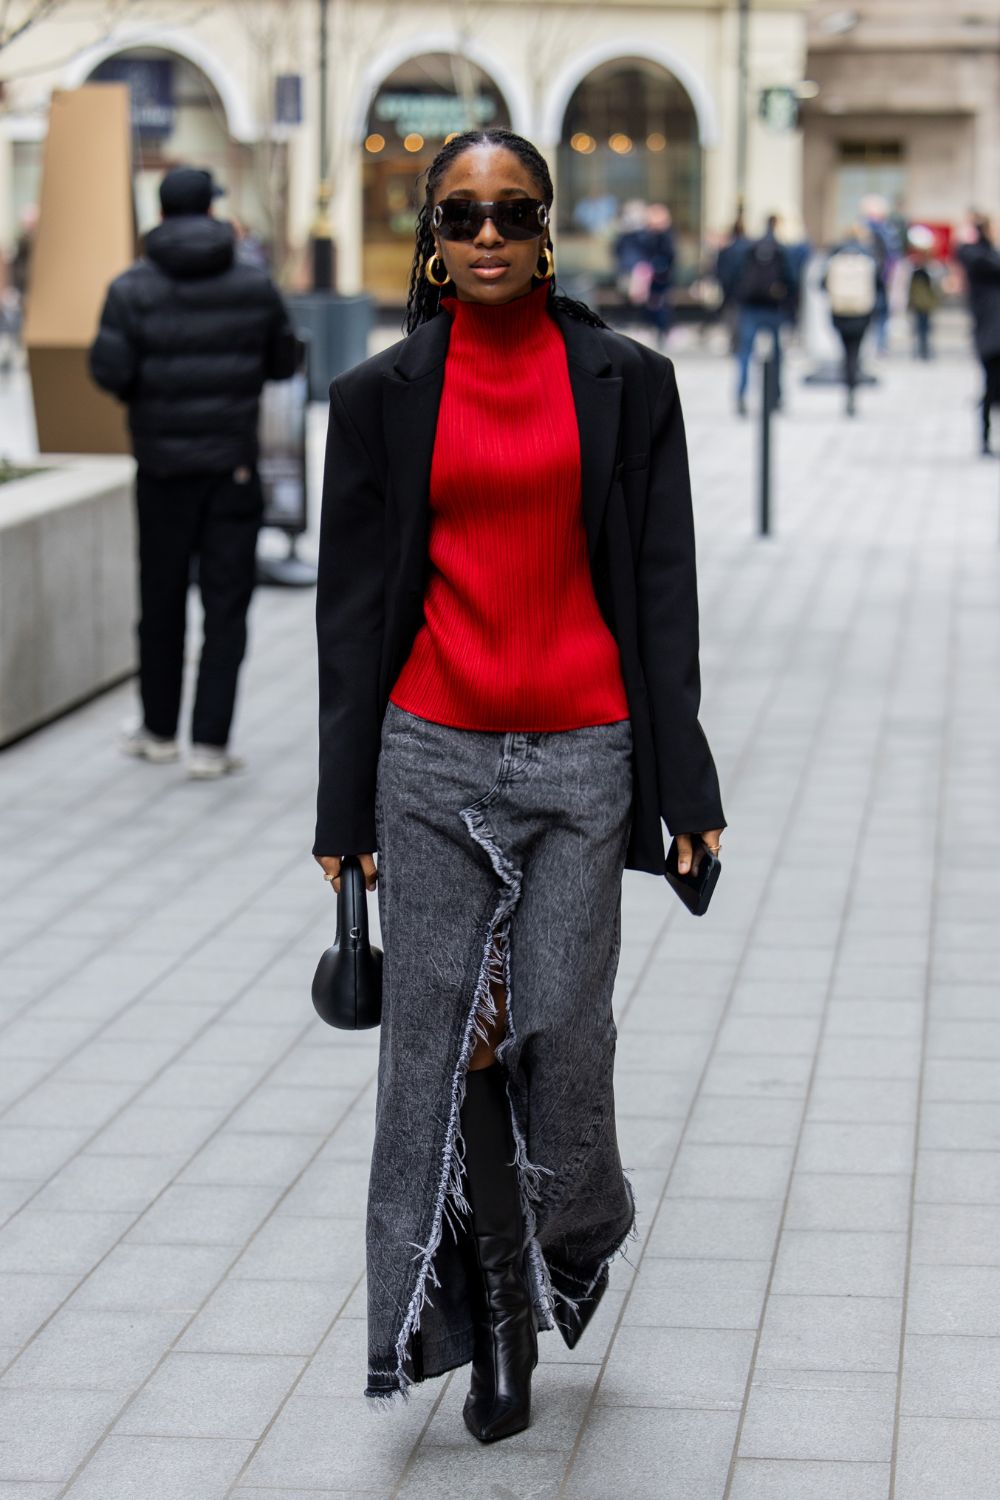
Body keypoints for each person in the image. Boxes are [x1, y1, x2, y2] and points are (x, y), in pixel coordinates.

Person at [312, 127, 726, 1439]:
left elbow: (662, 599)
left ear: (546, 226)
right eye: (460, 215)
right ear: (432, 236)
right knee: (447, 1047)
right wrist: (340, 812)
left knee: (563, 1033)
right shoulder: (379, 398)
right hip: (428, 753)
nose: (486, 235)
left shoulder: (626, 381)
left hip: (584, 755)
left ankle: (580, 1228)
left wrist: (689, 786)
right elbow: (353, 612)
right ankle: (495, 1326)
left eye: (510, 213)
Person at [89, 166, 298, 776]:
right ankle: (209, 744)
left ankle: (158, 731)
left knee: (160, 600)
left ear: (160, 211)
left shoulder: (131, 287)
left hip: (160, 470)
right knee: (226, 606)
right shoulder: (253, 283)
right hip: (232, 468)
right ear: (211, 209)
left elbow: (108, 372)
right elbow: (283, 361)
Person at [734, 213, 795, 415]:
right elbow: (791, 280)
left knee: (745, 354)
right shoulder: (781, 249)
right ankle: (775, 396)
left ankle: (741, 395)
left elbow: (736, 275)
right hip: (773, 308)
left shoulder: (750, 248)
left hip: (750, 308)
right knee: (776, 355)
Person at [823, 224, 880, 417]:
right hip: (861, 312)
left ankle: (848, 381)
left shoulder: (835, 256)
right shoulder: (868, 256)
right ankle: (852, 387)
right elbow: (879, 285)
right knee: (855, 351)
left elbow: (822, 284)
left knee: (845, 350)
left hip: (839, 311)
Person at [956, 214, 1000, 456]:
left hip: (991, 332)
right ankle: (984, 439)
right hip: (991, 335)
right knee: (991, 387)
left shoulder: (988, 255)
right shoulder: (979, 258)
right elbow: (966, 253)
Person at [906, 234, 942, 361]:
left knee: (925, 327)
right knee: (920, 327)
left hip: (926, 301)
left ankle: (925, 349)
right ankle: (921, 349)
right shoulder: (914, 266)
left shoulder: (931, 266)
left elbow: (936, 282)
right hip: (920, 301)